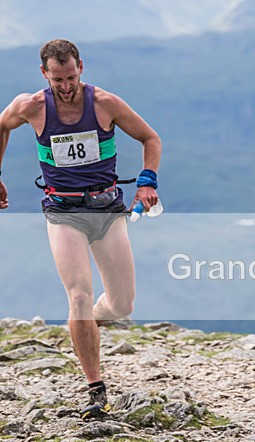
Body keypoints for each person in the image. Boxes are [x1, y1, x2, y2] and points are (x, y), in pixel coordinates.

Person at [0, 39, 162, 419]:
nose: (66, 86)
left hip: (106, 210)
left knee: (122, 304)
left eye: (71, 77)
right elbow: (2, 126)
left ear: (81, 68)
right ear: (44, 74)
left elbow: (150, 138)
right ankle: (95, 389)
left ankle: (87, 325)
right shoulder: (31, 106)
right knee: (78, 295)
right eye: (58, 79)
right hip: (63, 211)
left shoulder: (105, 103)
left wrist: (147, 181)